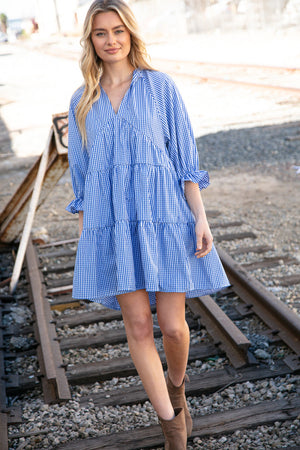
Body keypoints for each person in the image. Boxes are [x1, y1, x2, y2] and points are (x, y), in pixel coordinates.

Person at [66, 1, 230, 448]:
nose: (111, 40)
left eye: (118, 30)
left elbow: (184, 162)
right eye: (101, 33)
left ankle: (177, 386)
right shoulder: (82, 101)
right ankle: (172, 428)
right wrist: (88, 237)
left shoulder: (160, 88)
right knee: (138, 326)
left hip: (164, 218)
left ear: (131, 34)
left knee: (173, 327)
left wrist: (200, 217)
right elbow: (81, 180)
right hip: (113, 224)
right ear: (91, 41)